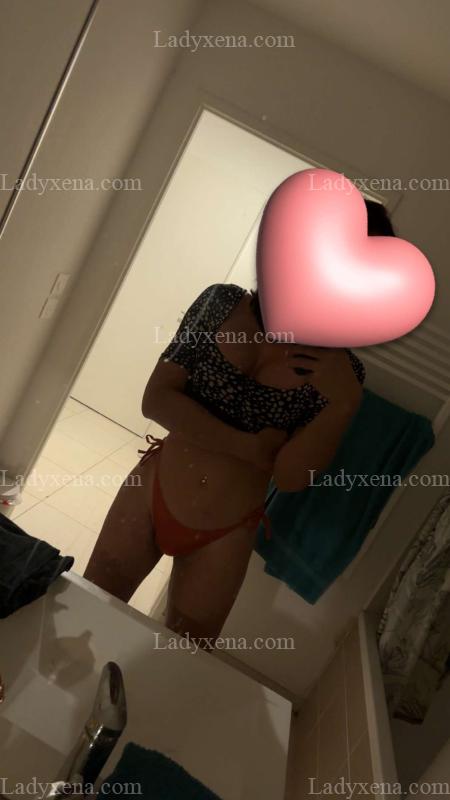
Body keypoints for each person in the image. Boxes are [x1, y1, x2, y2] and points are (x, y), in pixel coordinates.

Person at [84, 198, 395, 646]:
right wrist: (247, 447)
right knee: (87, 615)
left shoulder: (342, 373)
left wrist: (344, 404)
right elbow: (157, 400)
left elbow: (290, 478)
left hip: (225, 532)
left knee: (180, 660)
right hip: (151, 492)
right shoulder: (220, 303)